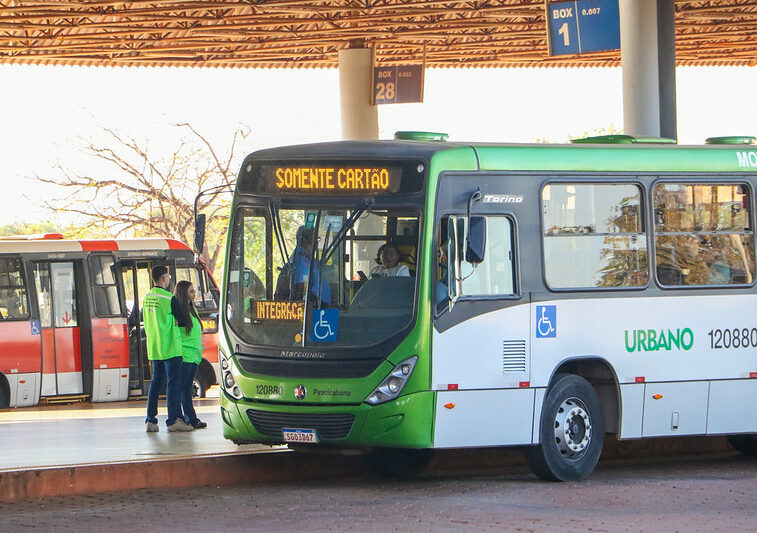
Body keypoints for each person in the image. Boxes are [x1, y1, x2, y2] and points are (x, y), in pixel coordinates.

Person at [143, 265, 193, 432]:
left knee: (155, 383)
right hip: (171, 347)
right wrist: (177, 320)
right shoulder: (168, 298)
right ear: (164, 279)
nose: (170, 279)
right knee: (173, 383)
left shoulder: (147, 297)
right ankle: (173, 420)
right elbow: (184, 320)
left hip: (155, 347)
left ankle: (151, 420)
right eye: (169, 277)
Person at [174, 280, 207, 429]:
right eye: (191, 291)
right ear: (183, 293)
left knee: (187, 388)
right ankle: (190, 418)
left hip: (194, 356)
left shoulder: (192, 310)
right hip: (185, 356)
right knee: (184, 389)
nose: (194, 293)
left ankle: (189, 418)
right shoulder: (179, 312)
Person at [277, 226, 331, 305]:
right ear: (304, 241)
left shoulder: (309, 259)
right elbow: (303, 293)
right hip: (315, 311)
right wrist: (324, 306)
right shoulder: (301, 262)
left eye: (317, 239)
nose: (317, 243)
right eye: (315, 239)